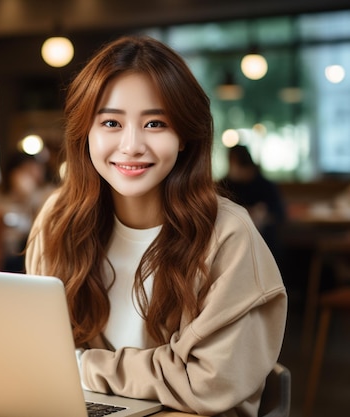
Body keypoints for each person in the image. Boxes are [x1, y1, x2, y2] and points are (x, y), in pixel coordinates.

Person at [25, 36, 287, 417]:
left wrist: (83, 366)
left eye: (155, 123)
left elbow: (206, 382)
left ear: (184, 137)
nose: (131, 145)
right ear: (86, 133)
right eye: (111, 122)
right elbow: (39, 351)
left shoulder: (228, 235)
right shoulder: (58, 219)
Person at [219, 144, 287, 256]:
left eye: (235, 163)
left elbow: (279, 213)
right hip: (231, 240)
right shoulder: (224, 185)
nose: (233, 167)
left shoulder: (265, 186)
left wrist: (261, 214)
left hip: (263, 240)